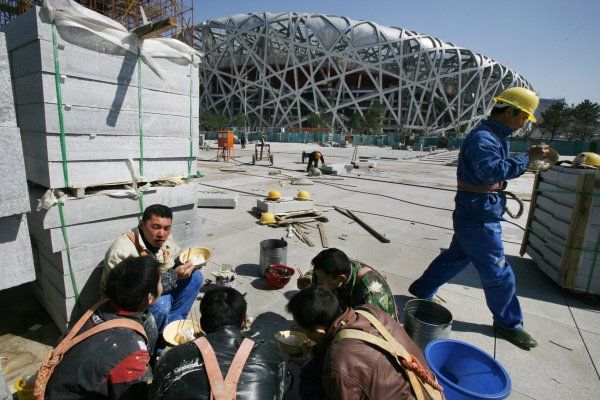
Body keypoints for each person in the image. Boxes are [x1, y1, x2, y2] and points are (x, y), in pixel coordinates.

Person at [409, 87, 550, 350]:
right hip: (479, 215)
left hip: (475, 210)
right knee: (498, 272)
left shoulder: (495, 136)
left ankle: (422, 289)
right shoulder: (483, 139)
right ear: (510, 111)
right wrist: (527, 158)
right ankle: (509, 323)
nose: (523, 125)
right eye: (523, 118)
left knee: (455, 256)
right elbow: (491, 172)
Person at [287, 286, 443, 400]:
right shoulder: (367, 311)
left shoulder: (339, 364)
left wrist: (307, 363)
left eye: (303, 330)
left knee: (310, 382)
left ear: (319, 332)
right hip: (431, 394)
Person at [41, 256, 161, 399]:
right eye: (160, 282)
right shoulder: (132, 354)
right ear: (149, 298)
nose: (162, 285)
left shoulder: (100, 308)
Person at [150, 286, 291, 399]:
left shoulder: (172, 358)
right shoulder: (270, 353)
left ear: (202, 323)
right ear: (244, 321)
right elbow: (285, 383)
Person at [101, 204, 203, 334]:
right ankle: (153, 344)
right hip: (129, 302)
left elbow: (175, 257)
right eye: (155, 227)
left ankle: (171, 330)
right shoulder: (123, 251)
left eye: (167, 228)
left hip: (156, 289)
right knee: (161, 303)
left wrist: (190, 263)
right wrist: (174, 276)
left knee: (196, 277)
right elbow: (130, 295)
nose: (162, 234)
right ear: (142, 224)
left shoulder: (164, 239)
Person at [297, 248, 397, 318]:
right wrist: (308, 279)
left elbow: (378, 327)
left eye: (322, 280)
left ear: (341, 278)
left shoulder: (371, 292)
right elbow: (317, 272)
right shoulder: (335, 268)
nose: (318, 282)